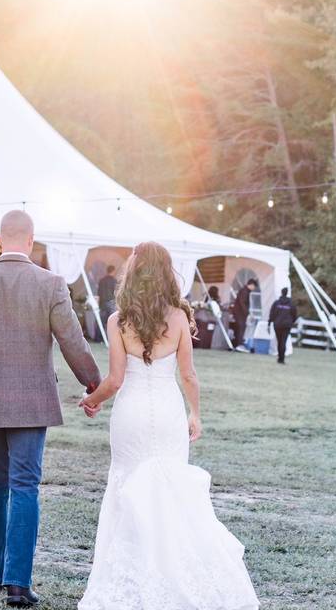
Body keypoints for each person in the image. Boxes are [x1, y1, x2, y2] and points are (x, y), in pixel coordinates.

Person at [78, 242, 260, 610]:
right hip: (167, 412)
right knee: (170, 490)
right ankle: (175, 574)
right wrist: (195, 414)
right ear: (166, 273)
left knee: (126, 486)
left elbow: (114, 380)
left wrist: (91, 401)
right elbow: (188, 375)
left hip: (129, 413)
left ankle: (129, 580)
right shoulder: (178, 317)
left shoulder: (118, 320)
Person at [0, 210, 101, 608]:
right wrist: (93, 382)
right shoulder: (50, 284)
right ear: (31, 240)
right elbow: (72, 341)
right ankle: (18, 583)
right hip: (33, 404)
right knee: (25, 486)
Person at [268, 287, 298, 364]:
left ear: (281, 293)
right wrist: (292, 322)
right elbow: (294, 315)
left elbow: (272, 313)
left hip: (277, 324)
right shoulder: (291, 304)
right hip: (287, 325)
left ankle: (280, 358)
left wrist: (270, 322)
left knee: (279, 341)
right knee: (283, 341)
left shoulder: (276, 303)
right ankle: (282, 358)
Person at [232, 278, 258, 351]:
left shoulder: (245, 290)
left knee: (240, 328)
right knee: (241, 327)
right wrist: (247, 313)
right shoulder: (245, 291)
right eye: (254, 286)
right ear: (251, 285)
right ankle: (239, 345)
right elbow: (242, 303)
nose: (254, 288)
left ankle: (238, 344)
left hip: (239, 312)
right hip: (240, 313)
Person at [97, 265, 117, 332]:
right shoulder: (114, 280)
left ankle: (98, 338)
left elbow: (99, 293)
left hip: (102, 303)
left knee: (101, 322)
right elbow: (115, 292)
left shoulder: (101, 280)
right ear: (113, 271)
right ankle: (110, 337)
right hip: (111, 302)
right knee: (112, 321)